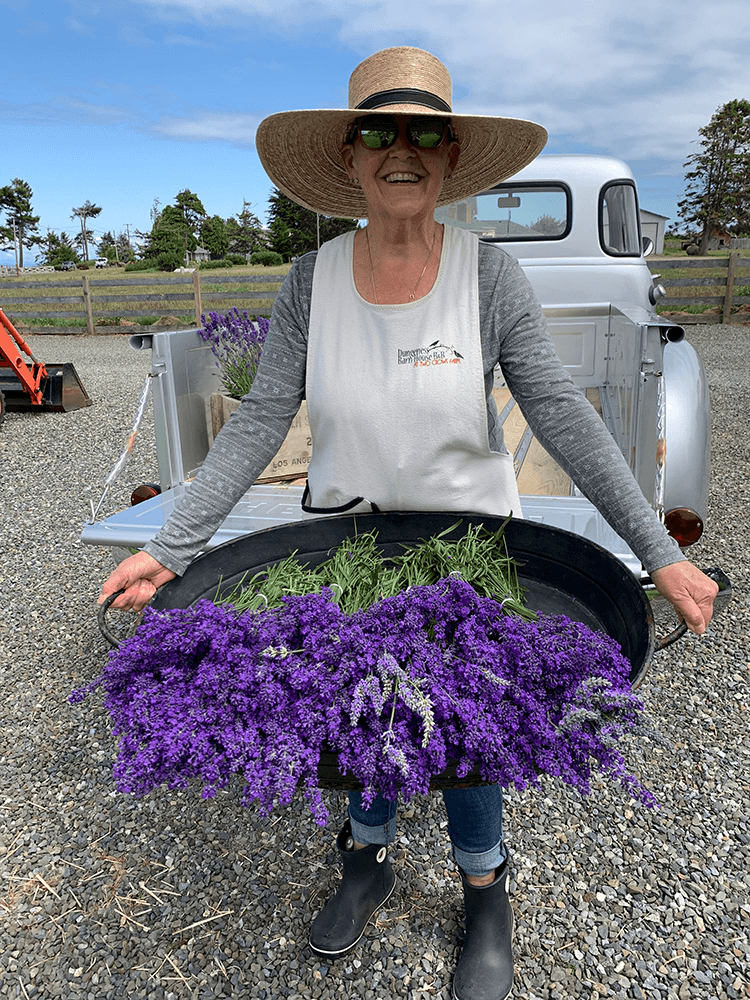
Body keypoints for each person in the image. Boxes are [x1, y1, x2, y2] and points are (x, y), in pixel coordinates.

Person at [99, 46, 719, 1000]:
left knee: (466, 728)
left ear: (448, 158)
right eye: (380, 132)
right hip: (344, 546)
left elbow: (560, 413)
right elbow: (263, 418)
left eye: (425, 133)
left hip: (474, 549)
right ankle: (368, 857)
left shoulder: (489, 277)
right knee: (359, 709)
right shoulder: (312, 281)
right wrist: (166, 547)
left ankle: (484, 886)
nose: (403, 150)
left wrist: (653, 552)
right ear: (350, 157)